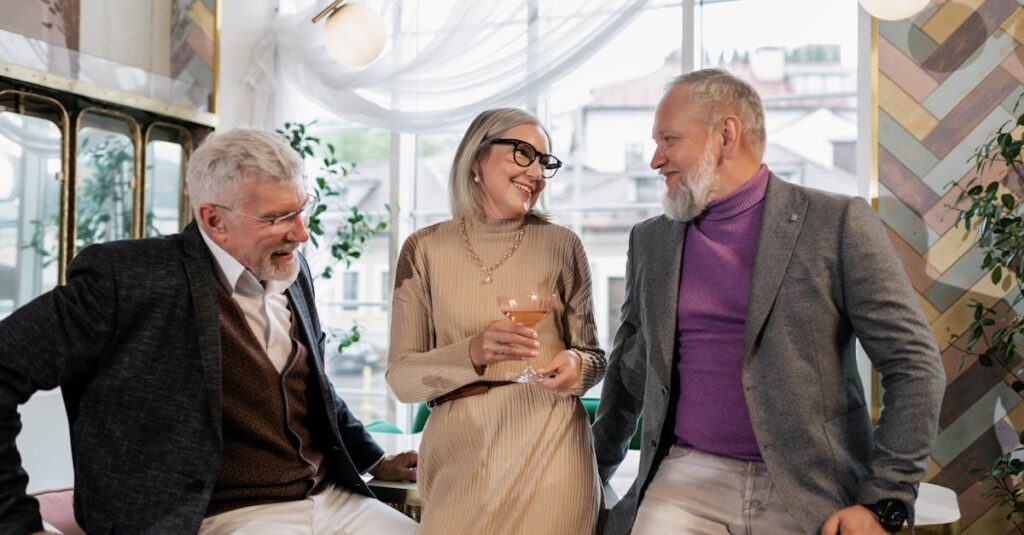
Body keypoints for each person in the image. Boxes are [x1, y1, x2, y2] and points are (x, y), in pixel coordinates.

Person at [0, 127, 418, 534]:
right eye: (278, 218)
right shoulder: (126, 279)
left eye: (301, 208)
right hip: (219, 515)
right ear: (214, 220)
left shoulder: (292, 267)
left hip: (333, 500)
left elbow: (311, 387)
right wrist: (17, 523)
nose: (301, 233)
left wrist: (374, 459)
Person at [592, 69, 945, 535]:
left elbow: (914, 364)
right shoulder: (649, 241)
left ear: (726, 134)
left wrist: (883, 499)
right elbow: (629, 371)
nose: (656, 159)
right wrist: (592, 475)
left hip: (809, 485)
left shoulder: (837, 222)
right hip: (687, 479)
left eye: (669, 139)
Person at [386, 108, 606, 534]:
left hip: (552, 445)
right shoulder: (423, 249)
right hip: (459, 452)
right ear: (476, 157)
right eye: (523, 153)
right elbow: (402, 380)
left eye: (545, 161)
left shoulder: (562, 244)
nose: (537, 172)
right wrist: (470, 352)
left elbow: (594, 356)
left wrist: (580, 367)